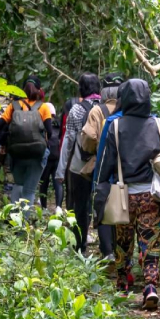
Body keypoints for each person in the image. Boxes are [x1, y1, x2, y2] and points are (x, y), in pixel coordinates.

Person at [93, 79, 160, 309]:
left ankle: (123, 284)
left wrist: (99, 194)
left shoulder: (116, 126)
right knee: (151, 242)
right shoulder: (158, 124)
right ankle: (150, 287)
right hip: (153, 195)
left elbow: (106, 165)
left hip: (123, 194)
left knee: (123, 242)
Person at [82, 73, 125, 261]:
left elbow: (89, 137)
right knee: (123, 207)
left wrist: (93, 149)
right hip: (127, 168)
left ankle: (107, 251)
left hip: (103, 166)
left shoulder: (97, 111)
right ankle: (122, 251)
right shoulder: (129, 110)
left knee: (103, 206)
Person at [56, 73, 102, 253]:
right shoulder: (105, 108)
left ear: (81, 88)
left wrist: (60, 171)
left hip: (79, 166)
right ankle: (107, 247)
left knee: (80, 205)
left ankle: (79, 244)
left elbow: (69, 141)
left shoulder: (76, 109)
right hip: (101, 164)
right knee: (101, 202)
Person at [0, 76, 53, 214]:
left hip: (17, 153)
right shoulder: (43, 107)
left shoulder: (13, 106)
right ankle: (24, 226)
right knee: (29, 191)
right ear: (39, 90)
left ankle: (15, 222)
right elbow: (49, 131)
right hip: (37, 154)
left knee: (18, 185)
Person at [40, 103, 64, 215]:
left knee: (44, 182)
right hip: (58, 155)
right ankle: (58, 207)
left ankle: (44, 208)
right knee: (58, 182)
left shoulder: (43, 122)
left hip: (47, 155)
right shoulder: (59, 122)